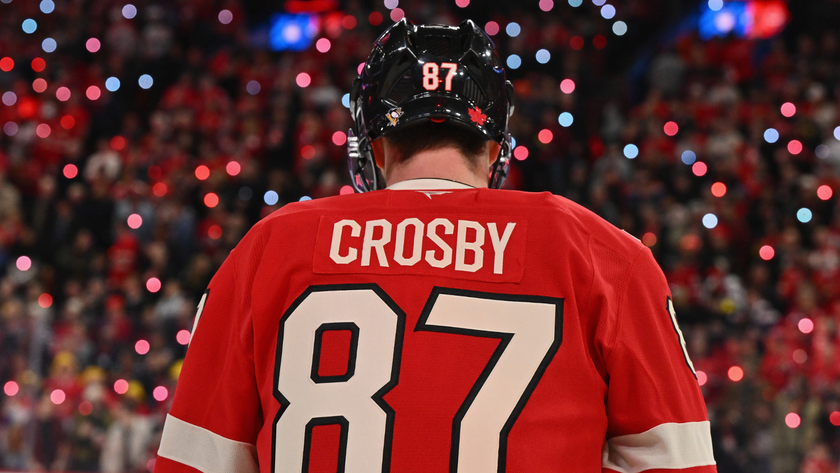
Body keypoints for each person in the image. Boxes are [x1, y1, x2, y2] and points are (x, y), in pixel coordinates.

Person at [155, 19, 717, 472]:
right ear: (495, 147)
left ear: (375, 147)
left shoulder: (270, 246)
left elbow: (196, 462)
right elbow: (676, 463)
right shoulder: (602, 254)